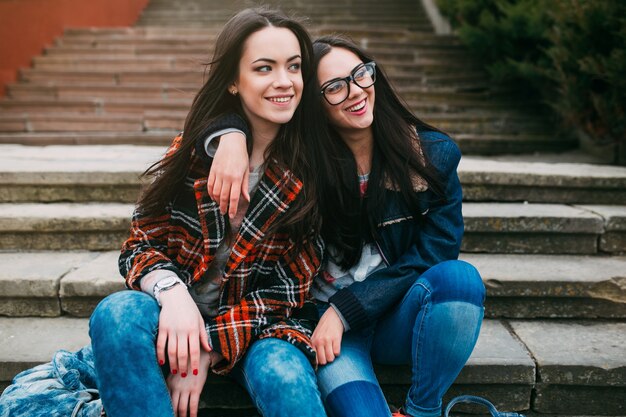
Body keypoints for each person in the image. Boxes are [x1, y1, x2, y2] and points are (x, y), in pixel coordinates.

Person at [202, 34, 486, 417]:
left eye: (360, 75)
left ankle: (423, 409)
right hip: (329, 332)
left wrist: (346, 310)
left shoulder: (430, 157)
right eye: (335, 87)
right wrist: (230, 136)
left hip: (395, 317)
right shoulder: (300, 164)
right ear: (313, 105)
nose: (355, 92)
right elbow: (239, 107)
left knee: (459, 279)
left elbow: (435, 254)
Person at [88, 8, 328, 417]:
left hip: (257, 328)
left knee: (285, 372)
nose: (284, 81)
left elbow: (288, 292)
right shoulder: (195, 151)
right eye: (264, 68)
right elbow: (140, 244)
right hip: (172, 311)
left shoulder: (313, 170)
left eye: (294, 66)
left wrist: (207, 345)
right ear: (234, 81)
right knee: (116, 313)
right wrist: (175, 296)